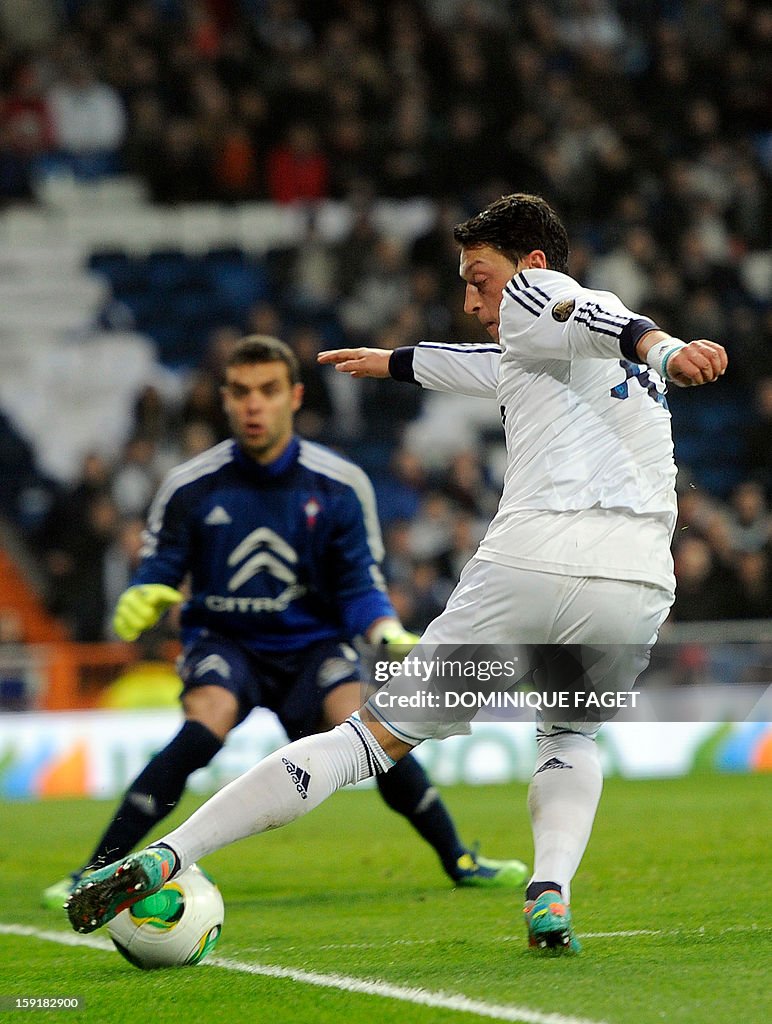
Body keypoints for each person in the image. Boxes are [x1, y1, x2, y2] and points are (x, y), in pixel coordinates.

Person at [64, 195, 727, 954]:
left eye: (480, 280)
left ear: (531, 265)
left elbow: (592, 313)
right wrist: (395, 363)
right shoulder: (546, 352)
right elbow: (499, 368)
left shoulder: (551, 298)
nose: (472, 300)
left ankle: (169, 853)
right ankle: (550, 890)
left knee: (366, 741)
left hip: (533, 561)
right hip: (637, 578)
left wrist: (664, 346)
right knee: (570, 731)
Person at [44, 336, 527, 909]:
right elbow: (160, 564)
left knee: (371, 727)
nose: (254, 405)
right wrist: (148, 590)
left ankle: (460, 859)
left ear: (295, 397)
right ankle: (94, 870)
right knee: (208, 719)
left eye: (268, 391)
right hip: (227, 643)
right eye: (242, 392)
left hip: (313, 646)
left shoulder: (340, 485)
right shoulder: (189, 486)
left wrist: (383, 631)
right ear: (224, 399)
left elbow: (359, 585)